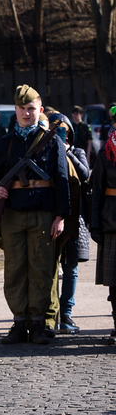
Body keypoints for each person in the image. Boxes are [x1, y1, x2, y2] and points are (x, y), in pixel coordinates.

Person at [0, 85, 69, 345]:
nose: (26, 113)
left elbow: (62, 180)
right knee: (15, 270)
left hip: (43, 213)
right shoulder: (4, 143)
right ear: (15, 110)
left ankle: (39, 323)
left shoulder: (52, 140)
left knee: (41, 269)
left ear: (40, 110)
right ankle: (19, 322)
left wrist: (61, 216)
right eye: (21, 109)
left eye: (31, 108)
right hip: (13, 214)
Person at [48, 119, 91, 334]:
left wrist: (67, 152)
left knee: (71, 269)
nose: (59, 134)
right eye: (55, 131)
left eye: (63, 131)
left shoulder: (78, 151)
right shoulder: (44, 152)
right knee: (50, 268)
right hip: (51, 218)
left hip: (75, 220)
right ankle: (51, 313)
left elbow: (85, 174)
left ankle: (66, 313)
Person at [92, 119, 116, 344]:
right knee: (115, 282)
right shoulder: (106, 154)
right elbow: (97, 190)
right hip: (112, 224)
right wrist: (95, 224)